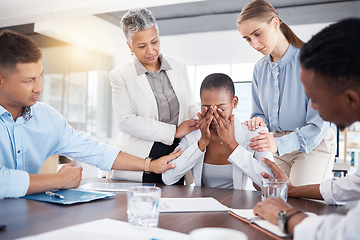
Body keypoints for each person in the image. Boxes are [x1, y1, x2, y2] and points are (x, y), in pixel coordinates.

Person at [0, 30, 181, 199]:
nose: (39, 87)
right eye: (28, 80)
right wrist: (60, 180)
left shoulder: (47, 117)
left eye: (40, 76)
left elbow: (94, 151)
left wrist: (150, 165)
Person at [253, 18, 360, 239]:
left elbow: (348, 233)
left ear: (350, 98)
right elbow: (353, 185)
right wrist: (292, 191)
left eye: (314, 98)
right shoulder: (260, 68)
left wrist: (287, 216)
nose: (310, 106)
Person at [236, 0, 336, 186]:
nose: (254, 44)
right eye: (248, 39)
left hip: (313, 144)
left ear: (275, 24)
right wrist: (258, 121)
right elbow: (259, 114)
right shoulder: (259, 69)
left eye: (257, 34)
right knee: (269, 195)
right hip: (277, 144)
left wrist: (278, 144)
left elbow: (318, 125)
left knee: (298, 199)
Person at [109, 8, 199, 184]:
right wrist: (173, 131)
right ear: (130, 47)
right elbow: (125, 120)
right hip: (141, 159)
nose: (151, 50)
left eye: (154, 41)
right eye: (142, 46)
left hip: (177, 157)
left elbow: (190, 106)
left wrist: (201, 119)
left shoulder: (179, 66)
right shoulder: (120, 75)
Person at [162, 73, 274, 189]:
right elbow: (168, 178)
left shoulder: (253, 133)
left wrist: (232, 145)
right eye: (206, 109)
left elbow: (271, 182)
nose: (213, 116)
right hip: (203, 203)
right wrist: (201, 143)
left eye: (221, 109)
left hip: (239, 204)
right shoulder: (192, 134)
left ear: (234, 102)